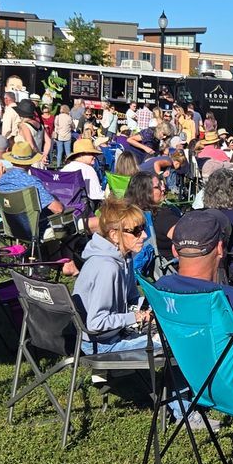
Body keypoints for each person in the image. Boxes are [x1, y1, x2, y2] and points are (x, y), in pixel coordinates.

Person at [73, 198, 152, 349]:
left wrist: (154, 307)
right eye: (136, 231)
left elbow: (131, 300)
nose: (144, 236)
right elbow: (96, 323)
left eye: (143, 228)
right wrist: (135, 317)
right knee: (173, 343)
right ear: (115, 235)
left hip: (113, 332)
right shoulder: (107, 268)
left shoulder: (125, 256)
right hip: (100, 343)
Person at [62, 137, 105, 202]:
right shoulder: (88, 170)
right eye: (91, 154)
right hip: (85, 206)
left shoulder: (65, 169)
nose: (94, 157)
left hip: (67, 205)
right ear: (81, 155)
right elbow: (96, 195)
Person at [52, 103, 73, 168]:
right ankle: (69, 166)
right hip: (67, 136)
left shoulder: (57, 117)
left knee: (59, 152)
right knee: (68, 152)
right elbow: (72, 126)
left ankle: (58, 166)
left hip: (59, 136)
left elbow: (56, 125)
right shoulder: (69, 117)